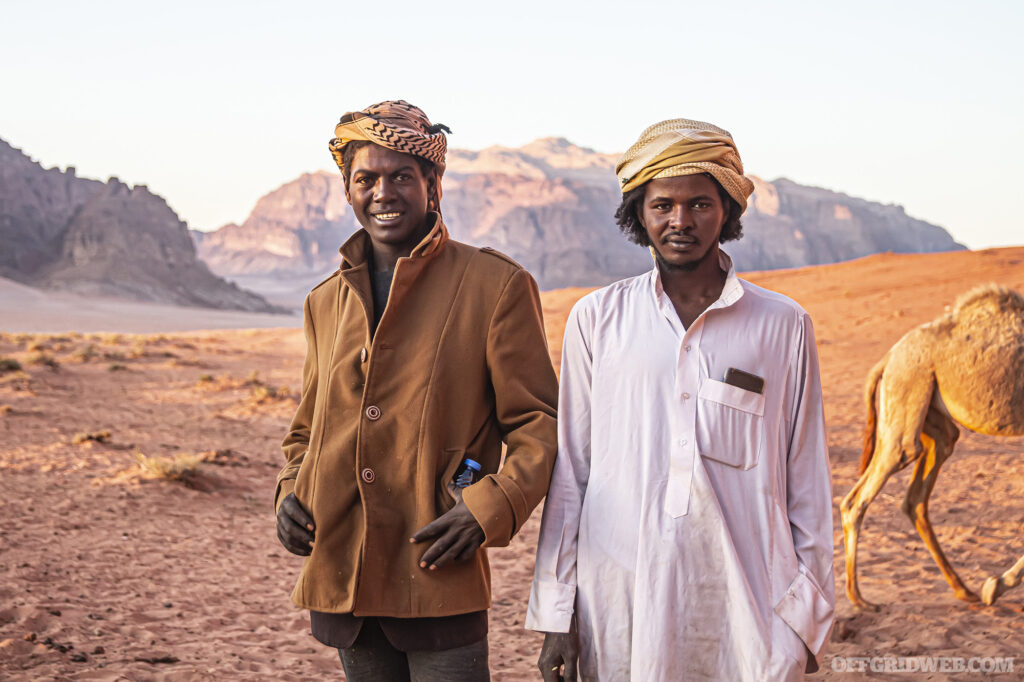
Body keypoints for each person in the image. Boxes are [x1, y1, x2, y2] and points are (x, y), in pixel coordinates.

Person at [526, 119, 835, 681]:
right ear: (639, 213)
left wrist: (806, 619)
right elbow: (571, 471)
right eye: (662, 204)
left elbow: (806, 476)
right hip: (617, 604)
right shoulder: (597, 320)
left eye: (700, 204)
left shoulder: (783, 324)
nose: (680, 222)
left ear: (727, 212)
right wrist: (557, 612)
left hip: (749, 612)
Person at [274, 100, 558, 681]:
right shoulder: (324, 301)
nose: (384, 192)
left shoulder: (494, 285)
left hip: (437, 566)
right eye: (366, 179)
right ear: (348, 191)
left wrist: (489, 506)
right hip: (342, 563)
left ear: (433, 186)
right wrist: (288, 492)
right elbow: (308, 426)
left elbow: (538, 424)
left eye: (402, 175)